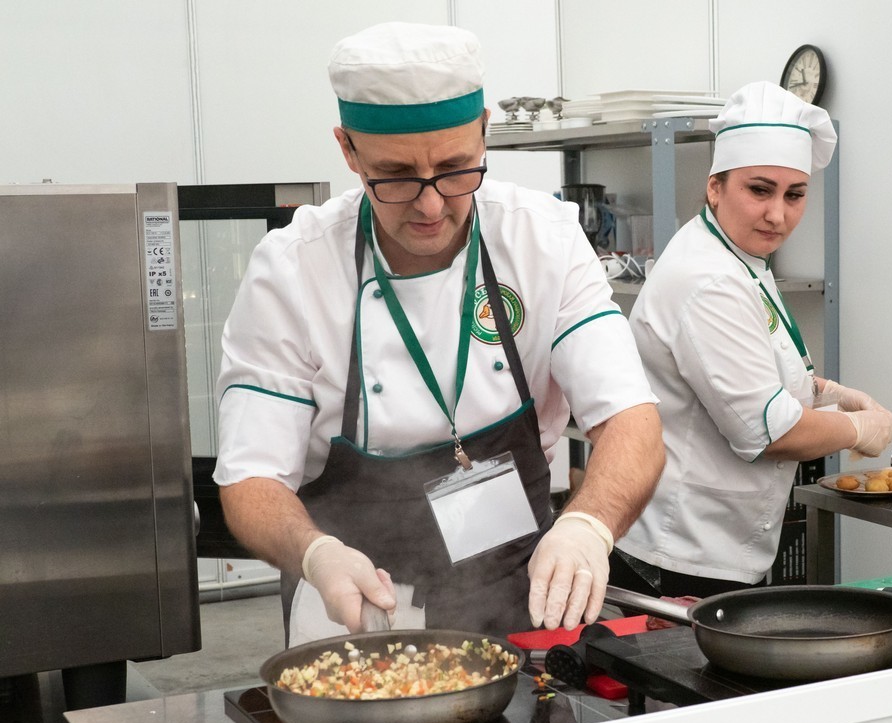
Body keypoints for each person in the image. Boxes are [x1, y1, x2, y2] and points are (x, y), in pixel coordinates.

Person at [214, 21, 664, 644]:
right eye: (395, 176)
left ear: (484, 132)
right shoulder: (292, 271)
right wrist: (315, 554)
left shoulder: (543, 240)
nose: (430, 206)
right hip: (356, 609)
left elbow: (632, 422)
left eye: (456, 169)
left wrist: (589, 524)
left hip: (521, 596)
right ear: (348, 151)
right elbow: (251, 480)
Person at [610, 81, 892, 599]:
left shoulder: (740, 258)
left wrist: (825, 390)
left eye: (795, 194)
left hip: (717, 545)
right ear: (714, 186)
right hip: (681, 553)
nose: (778, 215)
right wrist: (856, 428)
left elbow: (755, 367)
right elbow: (767, 434)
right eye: (759, 190)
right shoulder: (708, 279)